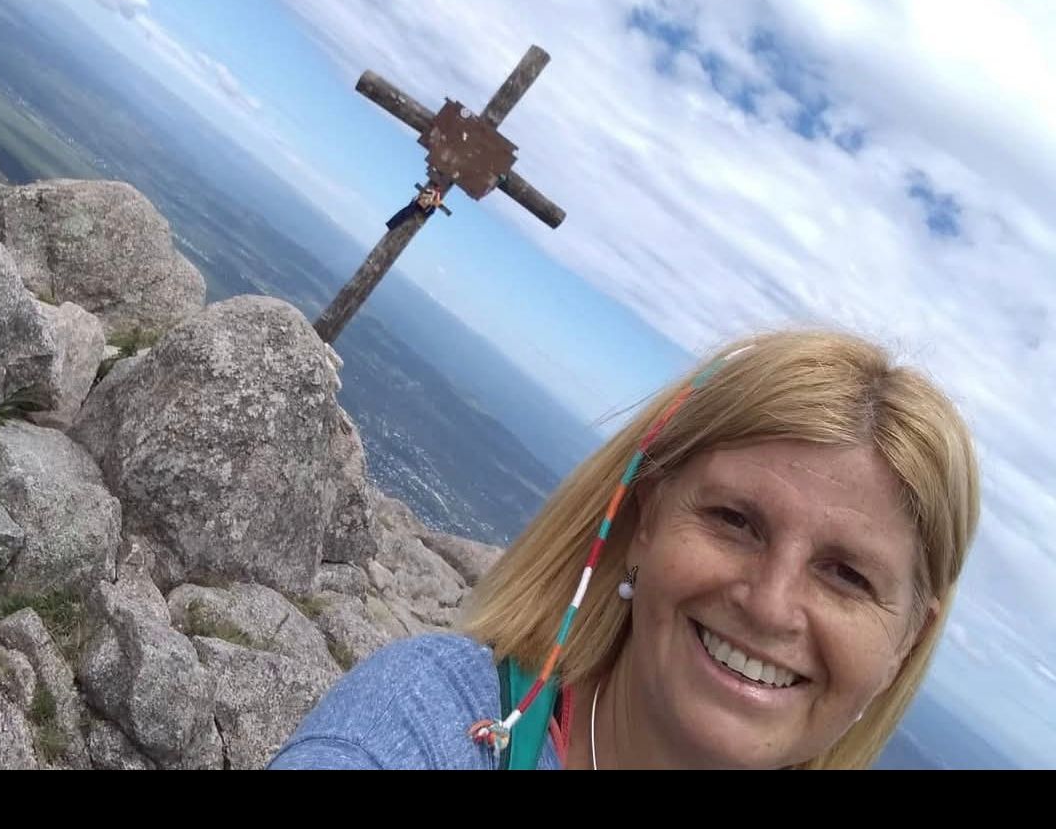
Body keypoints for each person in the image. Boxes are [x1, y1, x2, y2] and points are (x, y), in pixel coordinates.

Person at [266, 322, 982, 772]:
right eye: (737, 521)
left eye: (847, 575)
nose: (770, 605)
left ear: (902, 648)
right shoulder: (432, 720)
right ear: (643, 521)